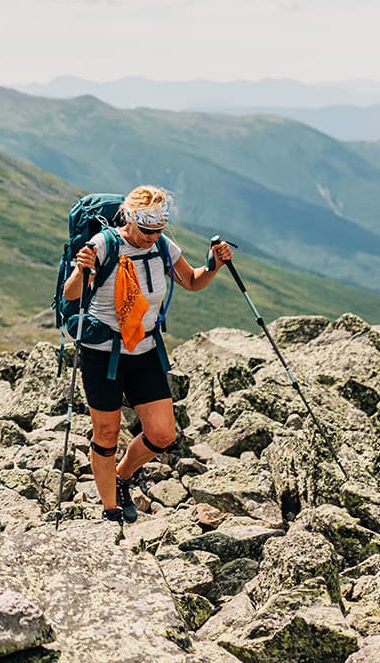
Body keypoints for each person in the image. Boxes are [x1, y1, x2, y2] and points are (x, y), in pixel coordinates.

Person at [61, 185, 232, 523]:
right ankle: (110, 507)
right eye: (146, 231)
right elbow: (71, 294)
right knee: (107, 433)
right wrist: (81, 269)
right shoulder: (103, 245)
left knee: (163, 434)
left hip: (145, 349)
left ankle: (123, 475)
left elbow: (192, 281)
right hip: (103, 353)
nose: (152, 237)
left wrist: (214, 265)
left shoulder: (163, 247)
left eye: (158, 231)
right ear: (130, 219)